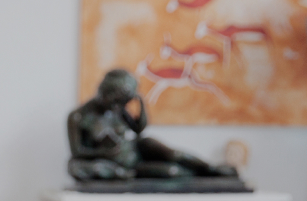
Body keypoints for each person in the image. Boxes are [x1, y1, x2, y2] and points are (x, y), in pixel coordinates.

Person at [67, 69, 239, 181]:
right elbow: (77, 153)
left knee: (173, 154)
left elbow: (139, 129)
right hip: (122, 165)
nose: (119, 105)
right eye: (117, 101)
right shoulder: (78, 117)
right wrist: (105, 152)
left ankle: (210, 169)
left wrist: (139, 102)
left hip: (137, 149)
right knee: (171, 172)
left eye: (124, 101)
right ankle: (201, 177)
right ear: (105, 94)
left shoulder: (117, 109)